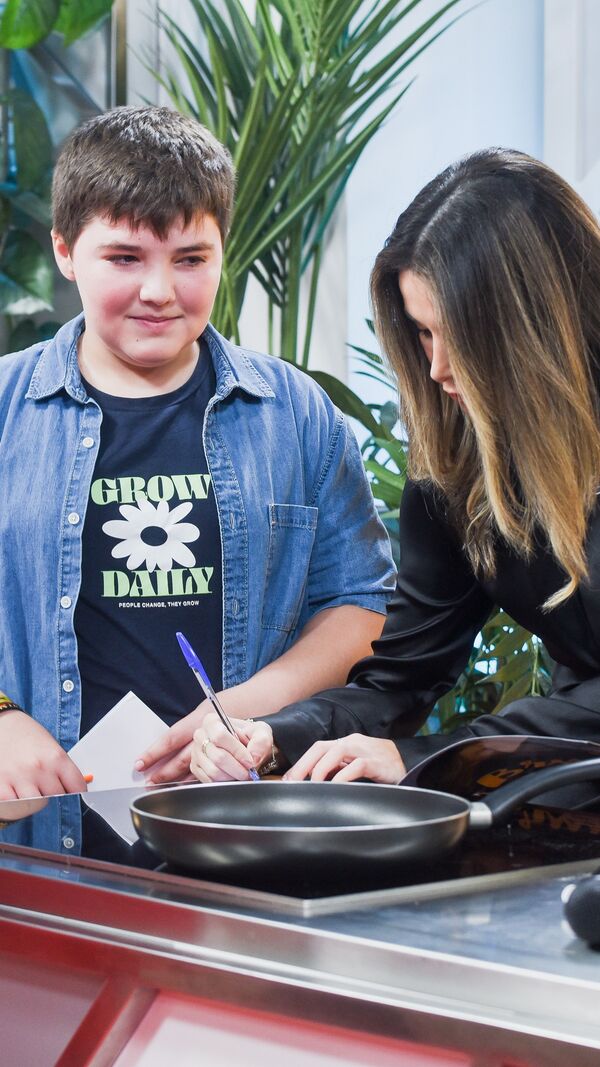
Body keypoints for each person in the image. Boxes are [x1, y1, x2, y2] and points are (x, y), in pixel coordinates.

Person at [0, 105, 395, 824]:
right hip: (41, 838)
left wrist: (245, 709)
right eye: (125, 258)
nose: (159, 291)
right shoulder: (5, 408)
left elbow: (360, 601)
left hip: (243, 830)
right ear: (64, 250)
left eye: (190, 259)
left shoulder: (295, 412)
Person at [190, 147, 600, 787]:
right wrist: (277, 735)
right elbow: (401, 677)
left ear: (534, 324)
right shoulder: (459, 463)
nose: (437, 369)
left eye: (457, 335)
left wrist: (427, 758)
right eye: (423, 333)